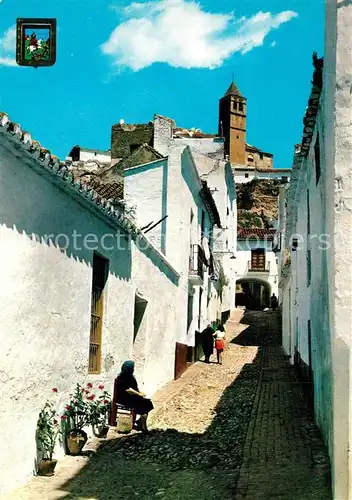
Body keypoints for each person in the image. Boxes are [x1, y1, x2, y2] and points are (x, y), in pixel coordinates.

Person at [110, 360, 154, 432]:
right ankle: (143, 425)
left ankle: (141, 422)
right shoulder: (121, 378)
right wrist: (138, 394)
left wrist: (140, 393)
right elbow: (128, 390)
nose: (133, 370)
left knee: (148, 403)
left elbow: (135, 388)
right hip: (124, 399)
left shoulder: (132, 378)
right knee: (142, 404)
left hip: (132, 398)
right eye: (132, 368)